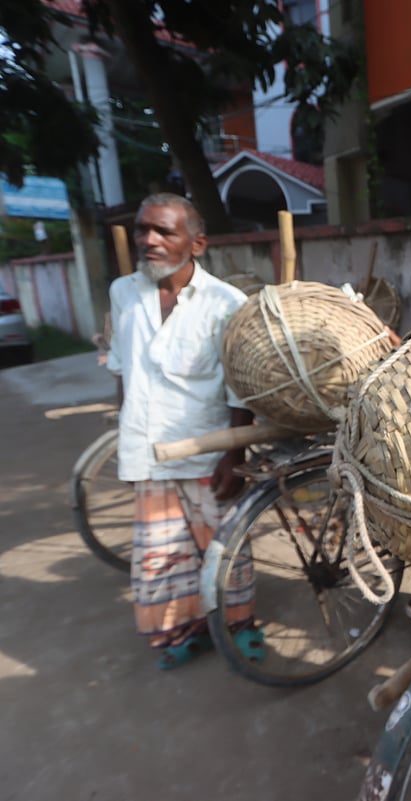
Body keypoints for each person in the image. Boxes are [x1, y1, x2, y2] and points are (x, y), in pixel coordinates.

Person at [106, 193, 259, 670]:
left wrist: (235, 455)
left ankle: (240, 627)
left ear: (196, 243)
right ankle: (189, 629)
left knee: (225, 553)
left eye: (163, 232)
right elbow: (121, 370)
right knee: (162, 559)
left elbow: (241, 387)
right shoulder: (122, 292)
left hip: (206, 449)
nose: (148, 241)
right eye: (142, 230)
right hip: (147, 453)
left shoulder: (225, 302)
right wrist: (125, 438)